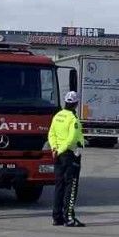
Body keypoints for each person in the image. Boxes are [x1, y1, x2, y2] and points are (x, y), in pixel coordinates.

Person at [49, 91, 85, 227]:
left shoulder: (57, 115)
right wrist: (61, 150)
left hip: (58, 155)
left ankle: (56, 217)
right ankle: (69, 218)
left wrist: (54, 148)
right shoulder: (72, 118)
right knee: (71, 186)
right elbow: (71, 138)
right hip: (70, 154)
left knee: (59, 186)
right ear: (76, 104)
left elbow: (51, 133)